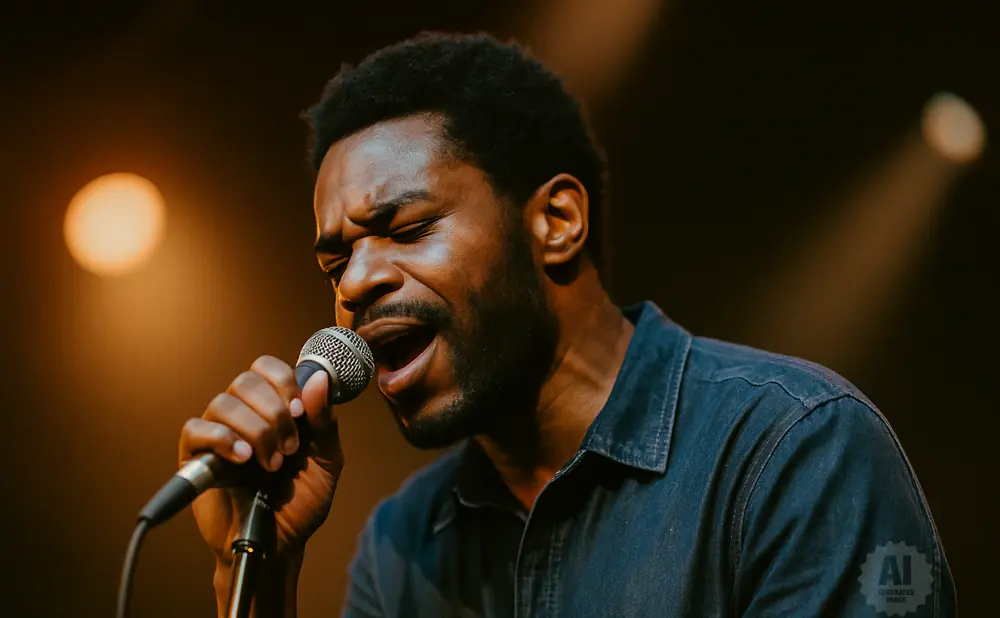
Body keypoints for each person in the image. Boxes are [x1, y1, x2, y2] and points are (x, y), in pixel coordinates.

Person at [178, 32, 956, 617]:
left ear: (556, 220)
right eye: (333, 263)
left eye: (407, 228)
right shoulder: (402, 543)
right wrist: (257, 570)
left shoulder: (792, 448)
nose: (356, 281)